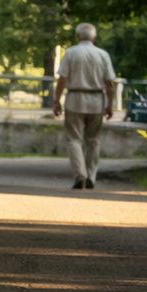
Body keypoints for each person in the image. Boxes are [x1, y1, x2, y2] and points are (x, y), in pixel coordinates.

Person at [52, 23, 117, 190]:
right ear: (94, 38)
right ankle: (91, 176)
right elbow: (109, 83)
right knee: (94, 140)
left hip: (75, 98)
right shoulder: (103, 55)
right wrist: (110, 105)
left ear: (77, 37)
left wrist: (56, 100)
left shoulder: (71, 53)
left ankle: (80, 174)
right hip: (96, 99)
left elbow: (62, 80)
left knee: (74, 139)